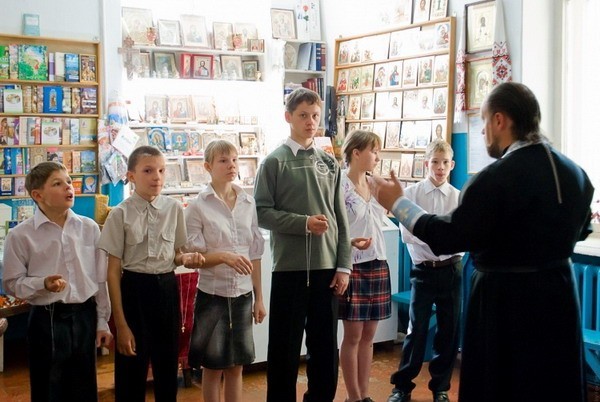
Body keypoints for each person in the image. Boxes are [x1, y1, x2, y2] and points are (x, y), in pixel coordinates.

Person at [371, 82, 594, 402]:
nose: (482, 131)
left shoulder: (494, 178)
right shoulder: (575, 173)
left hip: (505, 302)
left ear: (500, 120)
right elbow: (582, 229)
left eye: (484, 121)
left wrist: (398, 204)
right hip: (559, 294)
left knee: (501, 386)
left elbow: (450, 236)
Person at [254, 87, 352, 402]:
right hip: (290, 269)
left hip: (327, 270)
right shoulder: (273, 162)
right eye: (303, 115)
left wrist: (344, 266)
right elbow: (261, 213)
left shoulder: (330, 163)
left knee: (325, 348)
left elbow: (340, 217)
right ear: (288, 117)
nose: (310, 122)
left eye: (315, 115)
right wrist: (303, 223)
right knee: (284, 349)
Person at [99, 146, 204, 402]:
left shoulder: (174, 208)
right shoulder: (120, 214)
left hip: (166, 289)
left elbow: (176, 254)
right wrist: (121, 324)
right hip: (134, 291)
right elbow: (112, 272)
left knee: (167, 367)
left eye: (161, 170)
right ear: (131, 176)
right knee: (131, 369)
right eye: (148, 171)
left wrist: (185, 258)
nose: (156, 177)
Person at [2, 161, 113, 401]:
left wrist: (102, 321)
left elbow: (100, 279)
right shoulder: (20, 235)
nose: (68, 187)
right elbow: (12, 283)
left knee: (84, 387)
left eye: (69, 181)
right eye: (57, 183)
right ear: (38, 195)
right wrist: (42, 284)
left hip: (84, 315)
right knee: (48, 388)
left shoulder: (89, 228)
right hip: (47, 319)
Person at [185, 140, 266, 402]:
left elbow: (255, 254)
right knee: (212, 368)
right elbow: (194, 259)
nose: (231, 165)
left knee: (236, 367)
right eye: (223, 160)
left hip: (243, 295)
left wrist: (259, 298)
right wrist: (224, 257)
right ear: (208, 167)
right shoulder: (197, 206)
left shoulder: (248, 202)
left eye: (234, 159)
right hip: (213, 295)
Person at [386, 139, 462, 402]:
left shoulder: (458, 197)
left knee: (449, 330)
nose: (440, 168)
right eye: (435, 162)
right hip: (423, 270)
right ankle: (402, 387)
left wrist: (438, 240)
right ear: (426, 163)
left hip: (451, 270)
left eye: (445, 163)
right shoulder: (411, 194)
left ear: (452, 165)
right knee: (416, 329)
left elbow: (461, 238)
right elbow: (407, 233)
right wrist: (439, 240)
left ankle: (440, 387)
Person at [339, 130, 392, 402]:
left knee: (369, 335)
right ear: (356, 153)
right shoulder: (340, 185)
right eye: (374, 151)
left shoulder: (375, 184)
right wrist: (349, 243)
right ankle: (353, 396)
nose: (377, 157)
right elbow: (334, 228)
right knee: (353, 335)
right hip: (353, 265)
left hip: (378, 261)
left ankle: (363, 394)